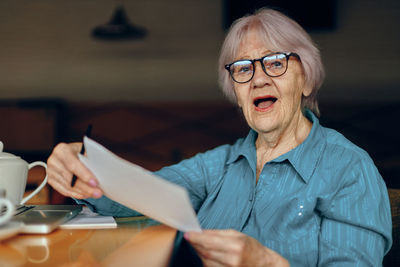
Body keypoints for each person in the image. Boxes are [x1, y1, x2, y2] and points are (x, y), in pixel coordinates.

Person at [47, 8, 392, 266]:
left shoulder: (349, 169)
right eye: (243, 68)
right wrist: (86, 166)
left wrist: (268, 263)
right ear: (237, 93)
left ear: (307, 81)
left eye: (275, 63)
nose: (258, 79)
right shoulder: (220, 164)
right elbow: (141, 194)